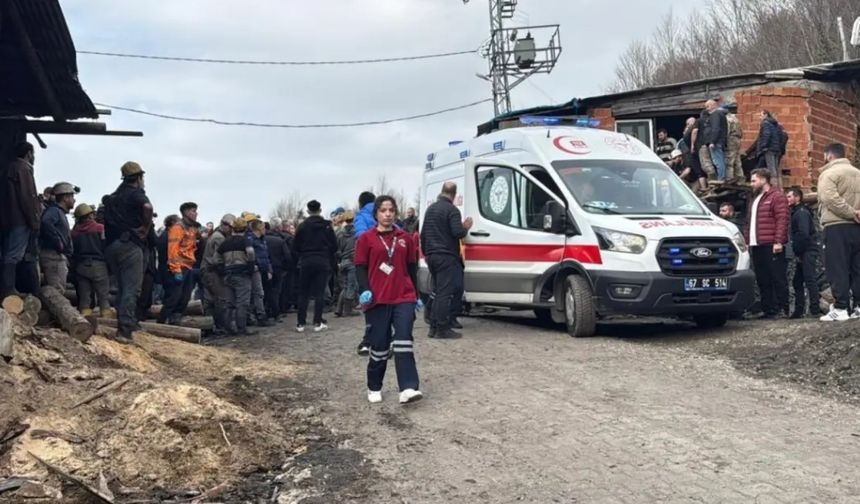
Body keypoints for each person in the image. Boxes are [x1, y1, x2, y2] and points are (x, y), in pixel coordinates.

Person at [355, 195, 423, 405]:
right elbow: (360, 267)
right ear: (376, 213)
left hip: (403, 296)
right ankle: (374, 385)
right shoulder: (366, 239)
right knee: (380, 345)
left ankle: (408, 388)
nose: (388, 214)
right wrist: (365, 289)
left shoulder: (405, 238)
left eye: (391, 210)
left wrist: (416, 294)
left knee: (403, 341)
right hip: (378, 298)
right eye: (383, 210)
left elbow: (412, 267)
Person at [103, 161, 154, 343]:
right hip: (130, 245)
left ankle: (126, 322)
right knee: (131, 289)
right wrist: (145, 228)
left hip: (112, 246)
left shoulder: (114, 197)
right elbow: (147, 207)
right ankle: (125, 331)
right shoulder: (136, 194)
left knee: (122, 288)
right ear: (139, 178)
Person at [421, 182, 473, 338]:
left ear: (442, 191)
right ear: (454, 195)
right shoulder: (452, 210)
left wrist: (426, 253)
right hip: (446, 256)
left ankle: (433, 327)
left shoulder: (430, 210)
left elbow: (424, 234)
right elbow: (458, 232)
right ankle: (442, 329)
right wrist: (466, 227)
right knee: (444, 293)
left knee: (438, 291)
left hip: (431, 256)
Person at [817, 143, 860, 322]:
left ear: (829, 156)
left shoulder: (828, 174)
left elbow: (829, 198)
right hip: (857, 227)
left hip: (836, 226)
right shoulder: (858, 173)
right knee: (857, 267)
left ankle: (841, 307)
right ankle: (858, 306)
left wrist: (851, 213)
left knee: (837, 268)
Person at [744, 168, 789, 320]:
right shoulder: (755, 198)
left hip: (771, 244)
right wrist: (747, 241)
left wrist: (778, 241)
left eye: (754, 180)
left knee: (777, 277)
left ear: (764, 180)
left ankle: (783, 308)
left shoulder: (777, 196)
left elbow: (782, 220)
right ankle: (768, 309)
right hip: (757, 244)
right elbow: (749, 222)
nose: (752, 184)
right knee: (763, 279)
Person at [0, 142, 41, 298]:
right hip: (20, 219)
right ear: (29, 153)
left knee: (10, 254)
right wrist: (34, 221)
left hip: (8, 219)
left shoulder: (8, 168)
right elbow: (27, 197)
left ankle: (10, 288)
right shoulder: (23, 169)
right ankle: (8, 290)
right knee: (13, 255)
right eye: (33, 153)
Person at [294, 200, 337, 332]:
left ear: (308, 211)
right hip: (322, 260)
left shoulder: (301, 227)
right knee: (319, 292)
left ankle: (300, 323)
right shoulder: (327, 226)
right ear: (320, 210)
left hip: (306, 260)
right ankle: (317, 322)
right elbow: (334, 245)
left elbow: (295, 246)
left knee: (303, 292)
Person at [158, 202, 200, 325]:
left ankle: (175, 320)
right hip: (178, 267)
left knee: (185, 297)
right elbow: (172, 250)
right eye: (193, 211)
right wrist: (176, 269)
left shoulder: (191, 228)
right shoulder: (178, 228)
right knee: (173, 298)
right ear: (186, 212)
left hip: (188, 266)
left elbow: (191, 248)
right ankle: (161, 323)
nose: (196, 213)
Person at [71, 203, 113, 317]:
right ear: (90, 215)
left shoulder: (74, 232)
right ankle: (106, 316)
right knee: (103, 294)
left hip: (81, 266)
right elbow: (106, 246)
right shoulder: (100, 228)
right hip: (98, 264)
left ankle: (85, 315)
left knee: (84, 295)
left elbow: (72, 251)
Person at [786, 187, 821, 319]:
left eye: (789, 196)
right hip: (804, 250)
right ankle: (799, 310)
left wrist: (798, 251)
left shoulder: (801, 213)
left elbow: (803, 234)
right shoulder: (797, 212)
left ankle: (815, 310)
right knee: (797, 281)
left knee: (809, 279)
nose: (787, 199)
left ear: (797, 197)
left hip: (807, 250)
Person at [218, 217, 257, 336]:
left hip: (228, 275)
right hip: (242, 274)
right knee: (242, 303)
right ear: (245, 228)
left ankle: (228, 328)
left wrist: (222, 270)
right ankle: (242, 328)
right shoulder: (246, 241)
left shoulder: (225, 242)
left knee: (229, 303)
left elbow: (217, 258)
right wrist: (250, 269)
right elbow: (250, 254)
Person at [39, 182, 78, 293]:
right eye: (72, 197)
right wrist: (58, 242)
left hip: (57, 255)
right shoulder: (54, 211)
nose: (74, 200)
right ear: (65, 198)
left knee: (58, 289)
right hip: (53, 256)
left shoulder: (59, 213)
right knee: (57, 290)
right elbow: (46, 222)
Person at [202, 214, 235, 334]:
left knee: (209, 300)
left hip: (207, 270)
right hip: (212, 271)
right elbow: (218, 259)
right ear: (225, 225)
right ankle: (220, 326)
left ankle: (209, 327)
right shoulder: (219, 238)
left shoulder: (215, 235)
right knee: (219, 299)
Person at [353, 191, 377, 355]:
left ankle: (368, 341)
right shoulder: (386, 215)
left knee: (369, 300)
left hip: (368, 265)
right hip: (387, 265)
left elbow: (361, 236)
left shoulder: (361, 218)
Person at [244, 216, 273, 326]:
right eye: (263, 228)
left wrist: (269, 269)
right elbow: (251, 254)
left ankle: (258, 315)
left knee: (260, 293)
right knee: (257, 293)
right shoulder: (250, 239)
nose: (265, 230)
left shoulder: (262, 240)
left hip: (263, 269)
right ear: (259, 229)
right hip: (256, 269)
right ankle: (260, 316)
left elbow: (266, 255)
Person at [264, 220, 292, 322]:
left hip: (265, 268)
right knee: (276, 291)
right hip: (278, 268)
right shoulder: (280, 241)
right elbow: (287, 256)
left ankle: (266, 311)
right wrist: (286, 268)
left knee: (265, 291)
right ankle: (276, 312)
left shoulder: (261, 240)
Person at [335, 210, 358, 317]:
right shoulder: (357, 232)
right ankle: (348, 309)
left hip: (342, 262)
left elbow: (337, 250)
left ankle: (339, 309)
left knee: (344, 286)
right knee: (351, 286)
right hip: (352, 261)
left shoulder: (339, 233)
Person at [754, 110, 785, 187]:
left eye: (761, 115)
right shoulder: (775, 124)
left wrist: (763, 146)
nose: (760, 117)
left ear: (765, 115)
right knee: (776, 169)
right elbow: (781, 136)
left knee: (771, 169)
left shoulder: (765, 123)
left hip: (769, 149)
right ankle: (779, 188)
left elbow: (766, 135)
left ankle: (774, 188)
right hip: (776, 149)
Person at [703, 99, 728, 181]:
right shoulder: (720, 114)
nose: (707, 108)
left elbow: (716, 128)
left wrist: (712, 141)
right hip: (720, 141)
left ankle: (721, 178)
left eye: (708, 106)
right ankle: (722, 177)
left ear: (714, 105)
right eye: (706, 107)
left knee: (717, 161)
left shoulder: (715, 114)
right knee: (719, 160)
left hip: (716, 142)